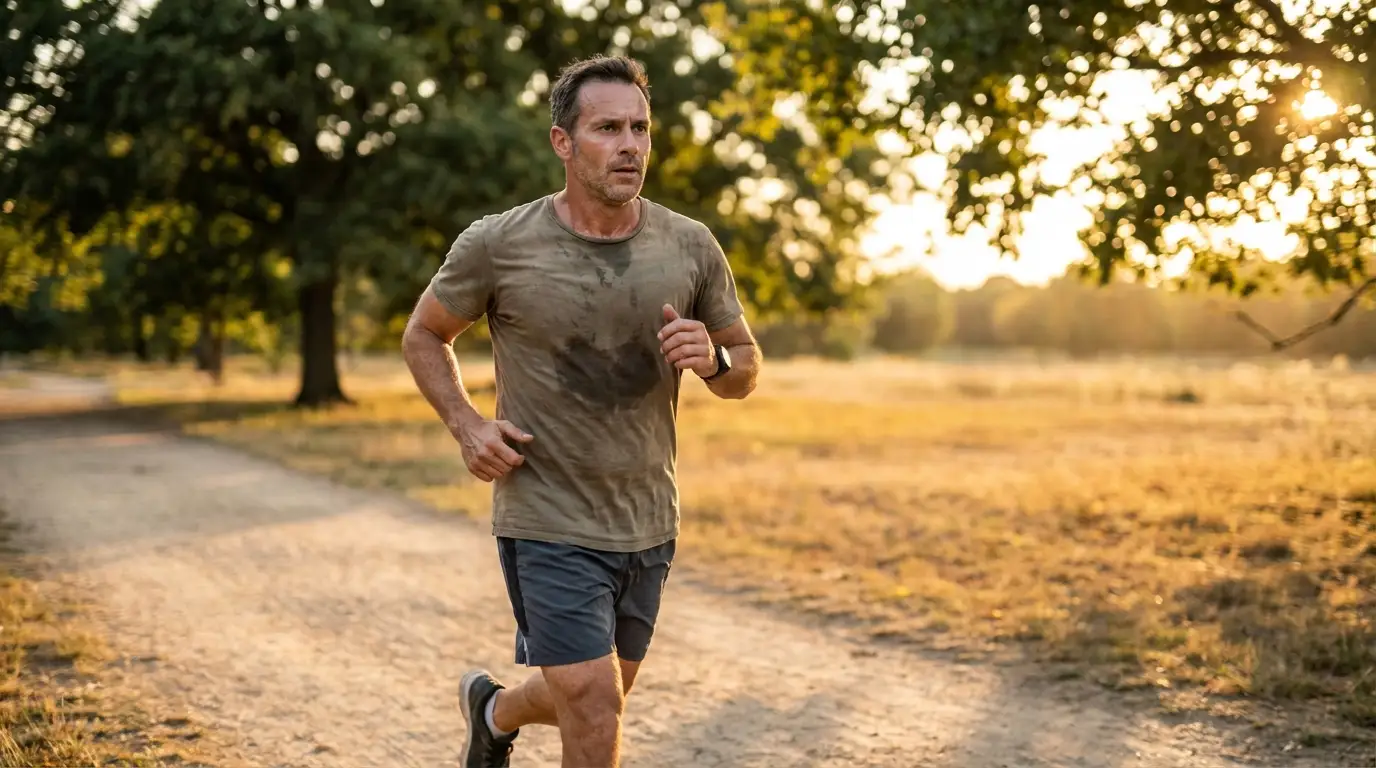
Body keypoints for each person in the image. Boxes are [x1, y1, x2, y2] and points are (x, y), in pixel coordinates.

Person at [401, 54, 761, 768]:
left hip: (646, 517)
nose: (630, 146)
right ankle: (503, 713)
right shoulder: (498, 244)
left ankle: (494, 712)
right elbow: (424, 335)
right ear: (563, 143)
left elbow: (745, 366)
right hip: (546, 514)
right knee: (595, 702)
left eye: (640, 129)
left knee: (598, 694)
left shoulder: (689, 244)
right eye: (608, 129)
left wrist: (716, 361)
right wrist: (468, 426)